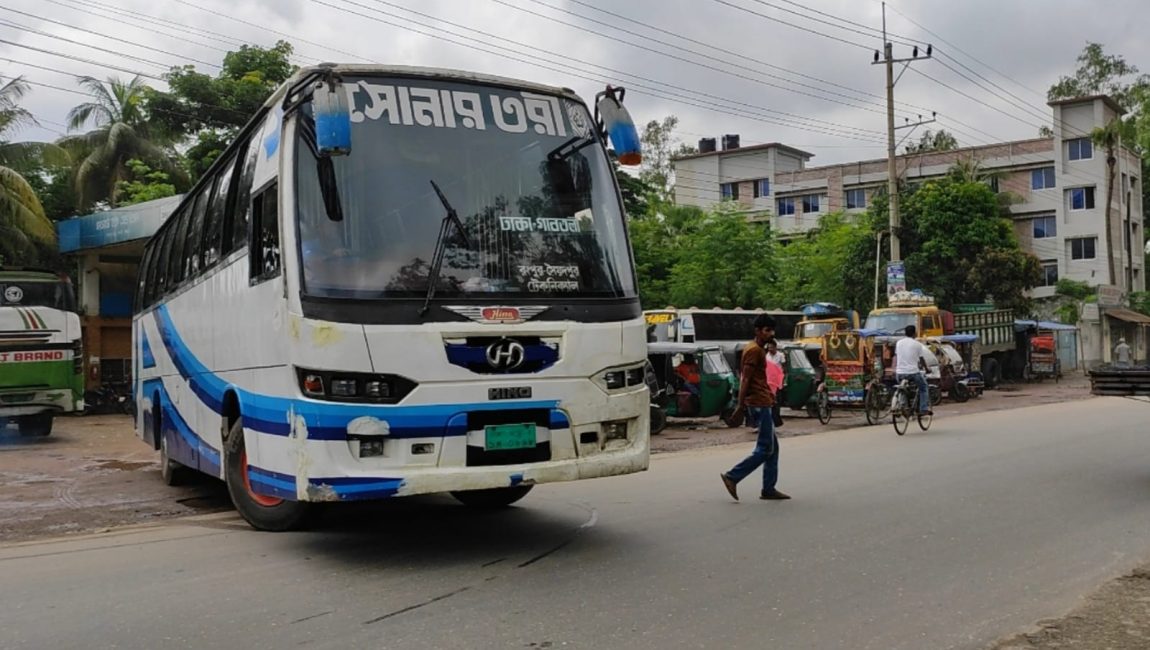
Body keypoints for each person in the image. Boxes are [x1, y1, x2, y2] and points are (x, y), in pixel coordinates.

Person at [720, 314, 790, 501]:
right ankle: (733, 476)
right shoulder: (754, 351)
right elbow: (746, 379)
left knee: (773, 448)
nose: (771, 334)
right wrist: (740, 406)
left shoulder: (758, 349)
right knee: (765, 449)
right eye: (767, 330)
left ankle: (769, 488)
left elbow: (757, 378)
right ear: (757, 331)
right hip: (758, 403)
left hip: (763, 400)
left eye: (772, 330)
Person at [895, 325, 933, 416]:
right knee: (923, 387)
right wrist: (927, 369)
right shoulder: (917, 344)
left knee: (903, 388)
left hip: (899, 373)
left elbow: (898, 356)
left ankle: (903, 405)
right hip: (912, 373)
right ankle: (923, 408)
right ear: (914, 333)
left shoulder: (899, 343)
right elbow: (921, 359)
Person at [766, 339, 786, 427]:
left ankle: (776, 420)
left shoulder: (780, 356)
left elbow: (784, 368)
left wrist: (783, 379)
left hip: (777, 381)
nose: (770, 349)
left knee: (776, 400)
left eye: (771, 347)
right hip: (769, 380)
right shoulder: (766, 356)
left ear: (775, 347)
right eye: (768, 347)